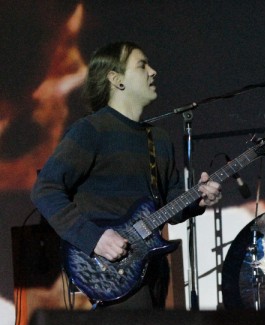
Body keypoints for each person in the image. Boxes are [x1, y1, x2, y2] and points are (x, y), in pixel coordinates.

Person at [30, 41, 222, 309]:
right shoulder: (91, 131)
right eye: (142, 65)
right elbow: (45, 189)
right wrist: (94, 239)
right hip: (110, 269)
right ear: (116, 79)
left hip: (152, 269)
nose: (153, 72)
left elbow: (171, 204)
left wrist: (197, 200)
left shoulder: (159, 139)